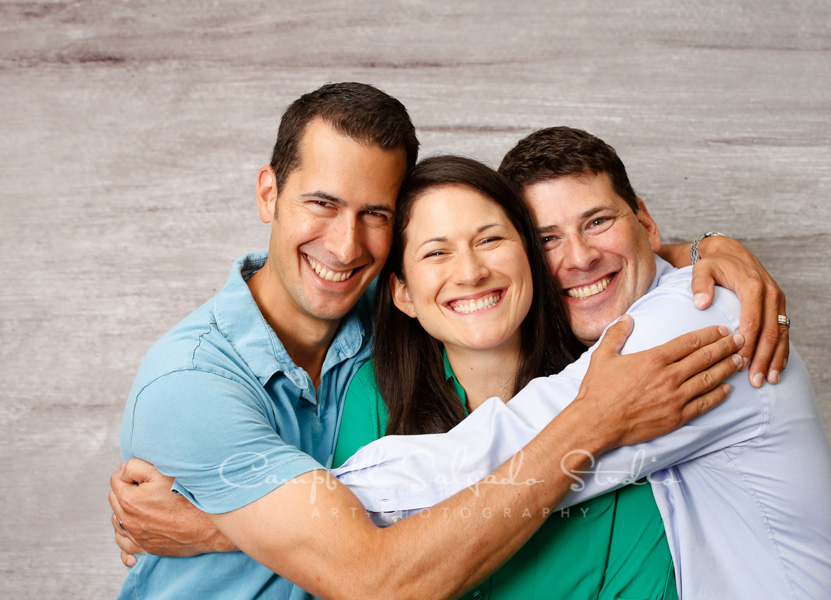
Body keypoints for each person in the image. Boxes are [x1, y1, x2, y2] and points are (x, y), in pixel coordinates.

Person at [109, 82, 783, 599]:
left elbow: (561, 260)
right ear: (268, 193)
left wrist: (704, 252)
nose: (345, 245)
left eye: (375, 214)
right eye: (321, 204)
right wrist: (596, 419)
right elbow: (375, 580)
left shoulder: (381, 306)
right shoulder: (191, 387)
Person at [331, 127, 831, 599]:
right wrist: (698, 246)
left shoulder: (707, 316)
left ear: (645, 222)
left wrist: (283, 513)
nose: (579, 257)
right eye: (547, 239)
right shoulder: (373, 384)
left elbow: (500, 457)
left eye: (599, 221)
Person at [332, 155, 677, 599]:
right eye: (436, 252)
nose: (472, 272)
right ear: (403, 293)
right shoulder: (369, 396)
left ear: (530, 255)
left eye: (491, 240)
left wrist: (705, 249)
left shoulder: (621, 390)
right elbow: (349, 571)